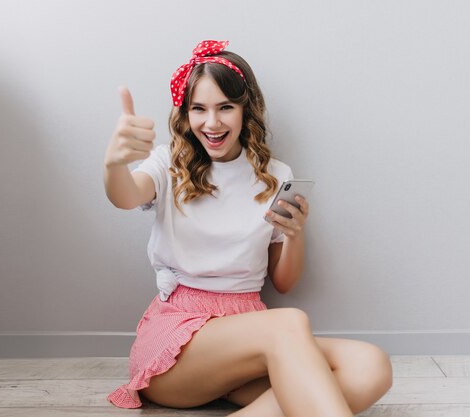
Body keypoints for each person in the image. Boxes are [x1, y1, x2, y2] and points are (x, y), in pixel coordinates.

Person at [103, 40, 392, 417]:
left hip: (251, 340)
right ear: (186, 113)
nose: (212, 123)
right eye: (199, 109)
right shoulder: (168, 164)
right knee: (289, 324)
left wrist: (294, 234)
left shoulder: (276, 176)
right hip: (177, 345)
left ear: (245, 108)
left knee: (371, 365)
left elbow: (283, 282)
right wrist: (114, 164)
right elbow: (126, 195)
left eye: (225, 107)